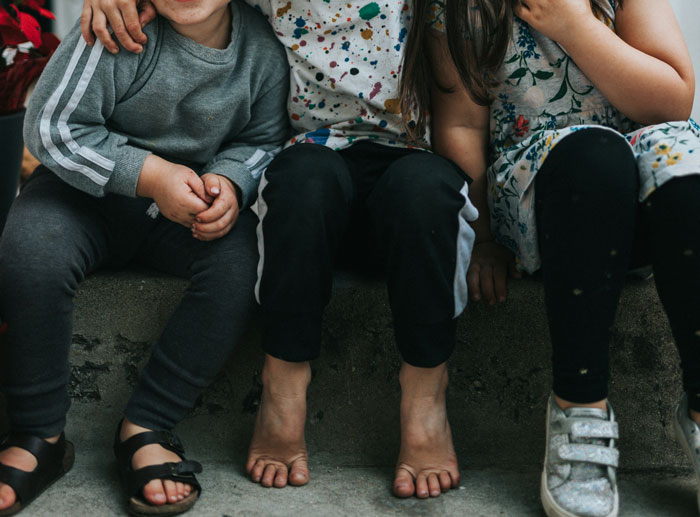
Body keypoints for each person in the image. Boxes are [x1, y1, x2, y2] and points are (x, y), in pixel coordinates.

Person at [80, 0, 481, 499]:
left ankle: (425, 399)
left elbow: (462, 118)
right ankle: (283, 389)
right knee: (305, 177)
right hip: (309, 195)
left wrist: (487, 240)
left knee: (426, 189)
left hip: (407, 186)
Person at [401, 0, 700, 515]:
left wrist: (575, 25)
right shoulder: (463, 9)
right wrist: (483, 237)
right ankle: (579, 405)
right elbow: (462, 128)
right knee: (594, 157)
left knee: (687, 163)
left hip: (643, 190)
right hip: (549, 198)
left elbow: (672, 102)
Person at [0, 0, 289, 513]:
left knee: (241, 264)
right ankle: (38, 434)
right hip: (80, 193)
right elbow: (50, 127)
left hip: (186, 206)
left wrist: (231, 180)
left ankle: (147, 425)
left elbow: (263, 139)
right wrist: (151, 176)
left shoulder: (262, 51)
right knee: (29, 253)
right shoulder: (117, 30)